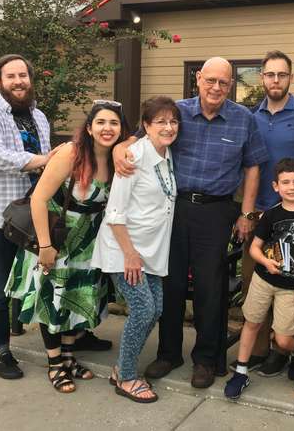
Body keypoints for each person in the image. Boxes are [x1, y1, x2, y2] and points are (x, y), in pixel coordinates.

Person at [114, 57, 268, 389]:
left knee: (210, 290)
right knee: (169, 284)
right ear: (198, 79)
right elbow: (138, 139)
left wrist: (247, 214)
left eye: (223, 83)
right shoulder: (177, 112)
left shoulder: (244, 119)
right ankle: (169, 353)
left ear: (231, 85)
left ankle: (206, 359)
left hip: (217, 212)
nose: (216, 88)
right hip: (174, 208)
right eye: (210, 80)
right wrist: (119, 149)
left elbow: (253, 166)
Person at [5, 100, 128, 393]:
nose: (107, 128)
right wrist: (45, 246)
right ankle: (55, 363)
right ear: (89, 127)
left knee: (78, 297)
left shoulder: (115, 159)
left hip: (89, 242)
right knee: (53, 300)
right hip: (56, 237)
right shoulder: (71, 154)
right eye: (101, 122)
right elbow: (38, 199)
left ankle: (70, 357)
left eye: (114, 123)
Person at [235, 50, 294, 378]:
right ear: (261, 78)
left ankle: (286, 351)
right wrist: (244, 211)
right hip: (259, 215)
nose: (276, 80)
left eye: (282, 75)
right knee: (255, 284)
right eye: (270, 74)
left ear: (291, 77)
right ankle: (258, 351)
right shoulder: (249, 116)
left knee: (289, 288)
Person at [0, 54, 58, 379]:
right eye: (11, 76)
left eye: (23, 75)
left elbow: (48, 164)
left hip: (32, 212)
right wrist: (44, 159)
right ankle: (2, 352)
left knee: (37, 275)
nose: (19, 81)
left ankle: (26, 326)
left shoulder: (39, 116)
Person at [91, 96, 180, 403]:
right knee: (143, 309)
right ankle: (126, 376)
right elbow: (114, 212)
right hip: (124, 250)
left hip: (150, 251)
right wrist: (129, 254)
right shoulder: (133, 157)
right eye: (160, 122)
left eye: (173, 121)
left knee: (155, 309)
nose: (168, 128)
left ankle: (123, 369)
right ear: (146, 126)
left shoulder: (166, 154)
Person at [224, 158, 294, 400]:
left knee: (284, 340)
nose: (292, 187)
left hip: (291, 287)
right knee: (252, 323)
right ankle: (242, 372)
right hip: (263, 279)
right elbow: (255, 248)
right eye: (286, 182)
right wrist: (265, 262)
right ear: (276, 187)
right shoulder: (271, 215)